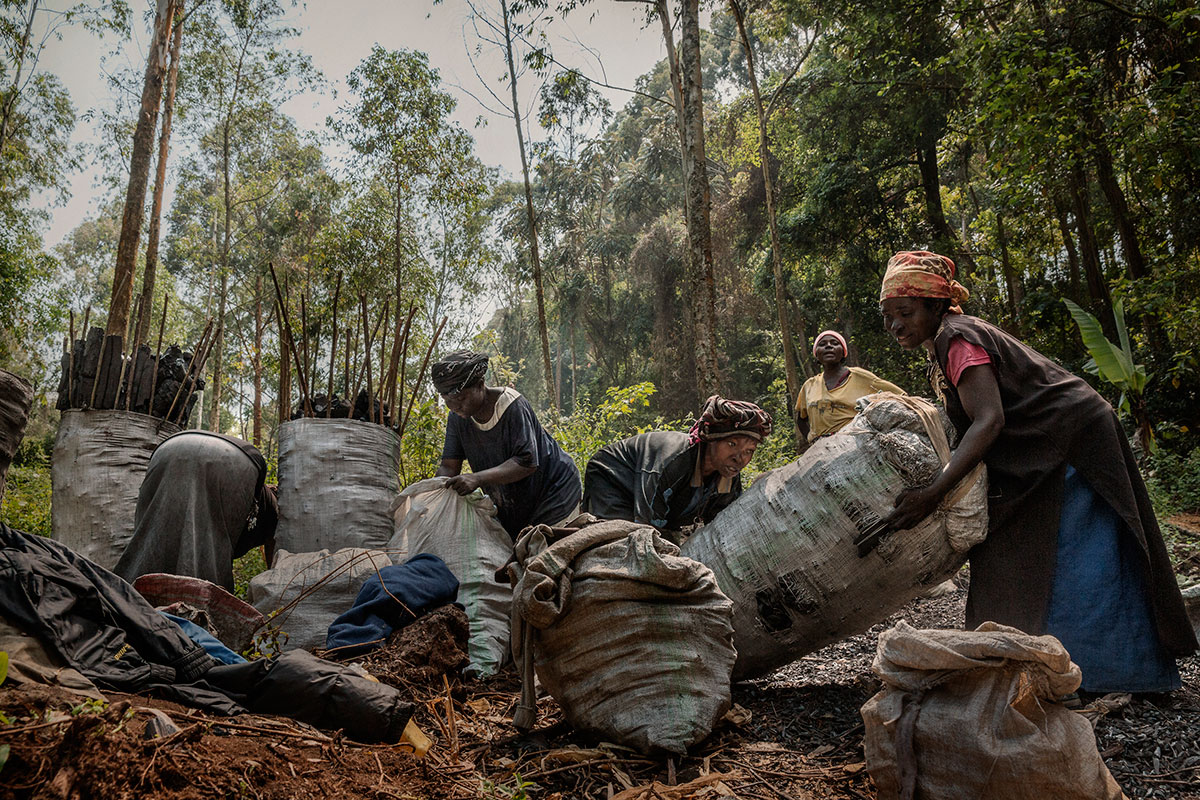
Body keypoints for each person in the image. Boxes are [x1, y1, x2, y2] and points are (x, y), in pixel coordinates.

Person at [878, 249, 1197, 693]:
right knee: (1020, 552)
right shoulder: (948, 341)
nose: (895, 325)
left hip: (1068, 440)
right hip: (1049, 442)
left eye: (905, 312)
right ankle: (1043, 667)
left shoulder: (958, 338)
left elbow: (989, 420)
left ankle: (1102, 673)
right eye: (888, 315)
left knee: (1073, 553)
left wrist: (933, 492)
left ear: (935, 305)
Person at [433, 350, 581, 539]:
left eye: (460, 399)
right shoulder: (457, 418)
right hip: (517, 503)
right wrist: (430, 493)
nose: (454, 407)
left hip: (554, 492)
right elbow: (448, 466)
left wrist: (477, 479)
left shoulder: (512, 406)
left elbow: (526, 462)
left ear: (480, 385)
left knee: (547, 554)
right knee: (518, 556)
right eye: (448, 401)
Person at [115, 431, 278, 592]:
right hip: (234, 460)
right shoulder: (274, 507)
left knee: (148, 536)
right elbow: (276, 565)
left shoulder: (262, 499)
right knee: (208, 552)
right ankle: (195, 603)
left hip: (169, 448)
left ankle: (127, 598)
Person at [583, 395, 773, 533]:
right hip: (613, 477)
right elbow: (646, 525)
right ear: (711, 440)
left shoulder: (729, 476)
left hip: (653, 499)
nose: (740, 458)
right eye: (732, 444)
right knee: (617, 540)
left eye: (749, 451)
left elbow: (723, 523)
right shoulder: (673, 461)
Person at [795, 329, 905, 443]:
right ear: (816, 355)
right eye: (822, 344)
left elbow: (899, 395)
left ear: (843, 352)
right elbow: (801, 420)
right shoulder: (809, 385)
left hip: (852, 444)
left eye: (835, 343)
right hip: (819, 448)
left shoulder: (860, 377)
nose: (828, 346)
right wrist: (812, 440)